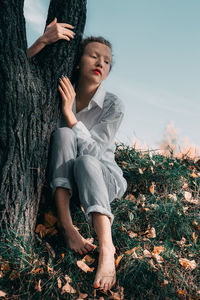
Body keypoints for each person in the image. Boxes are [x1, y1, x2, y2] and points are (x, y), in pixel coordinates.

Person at [28, 17, 127, 292]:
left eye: (107, 61)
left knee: (84, 157)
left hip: (103, 179)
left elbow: (95, 152)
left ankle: (106, 248)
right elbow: (16, 75)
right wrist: (43, 41)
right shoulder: (60, 87)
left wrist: (70, 116)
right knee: (62, 135)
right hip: (68, 178)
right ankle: (68, 227)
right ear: (77, 60)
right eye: (93, 55)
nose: (100, 63)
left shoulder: (112, 105)